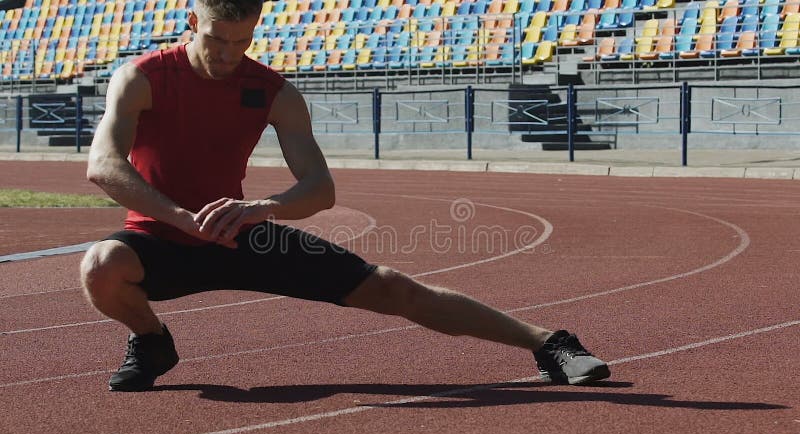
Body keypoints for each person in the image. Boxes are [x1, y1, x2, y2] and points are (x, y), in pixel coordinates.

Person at [80, 0, 610, 392]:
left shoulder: (274, 92)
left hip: (243, 234)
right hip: (159, 238)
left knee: (394, 289)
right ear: (191, 21)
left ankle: (549, 343)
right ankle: (152, 340)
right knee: (102, 265)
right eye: (217, 39)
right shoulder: (142, 78)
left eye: (241, 42)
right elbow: (103, 166)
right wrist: (182, 218)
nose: (227, 54)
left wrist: (264, 208)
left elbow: (320, 189)